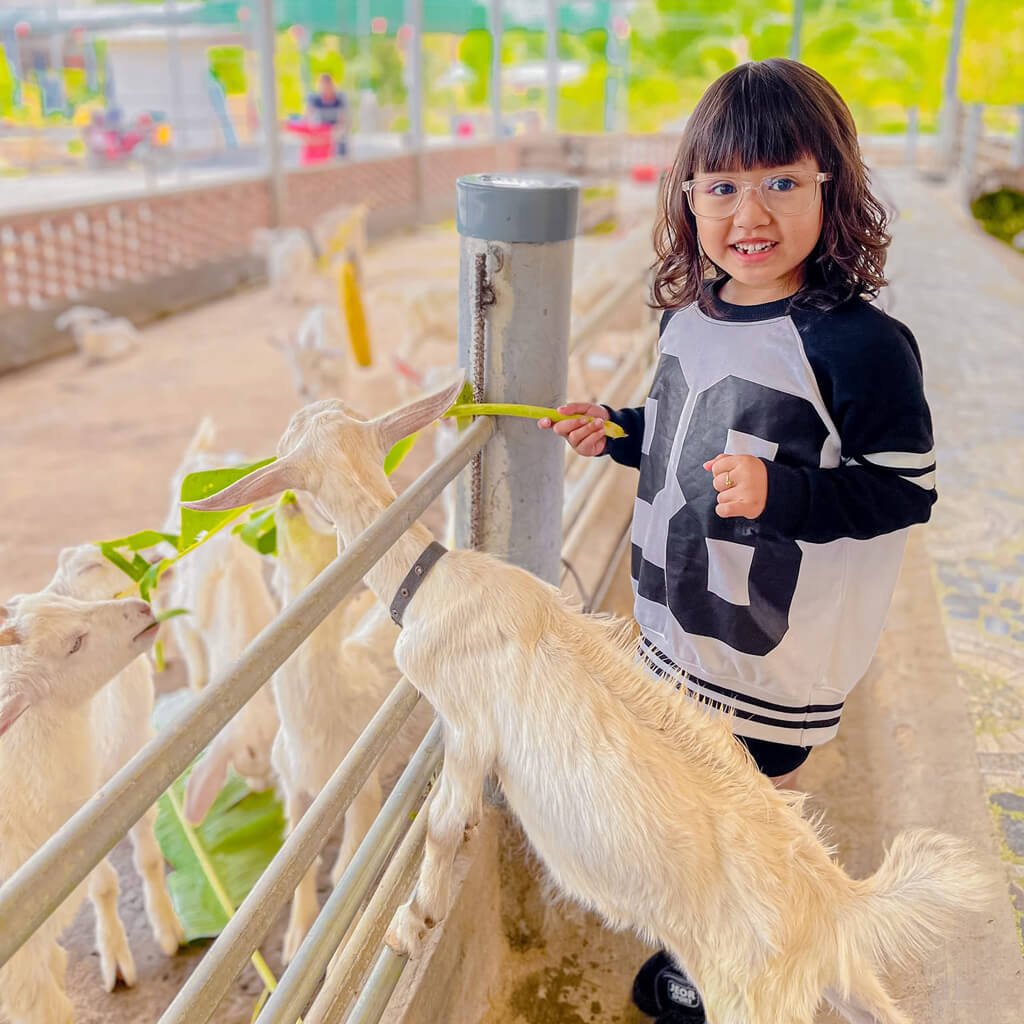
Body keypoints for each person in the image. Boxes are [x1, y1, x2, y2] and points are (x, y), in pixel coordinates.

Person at [540, 58, 936, 1024]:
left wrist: (783, 493)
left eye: (780, 184)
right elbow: (692, 437)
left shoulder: (861, 345)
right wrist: (623, 433)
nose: (748, 213)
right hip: (676, 630)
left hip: (771, 655)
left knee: (751, 827)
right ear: (687, 198)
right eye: (722, 187)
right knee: (689, 819)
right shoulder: (687, 316)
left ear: (831, 187)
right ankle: (711, 951)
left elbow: (904, 493)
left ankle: (757, 974)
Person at [307, 72, 349, 158]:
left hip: (336, 133)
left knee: (340, 145)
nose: (326, 88)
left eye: (328, 85)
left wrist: (336, 132)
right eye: (323, 85)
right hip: (320, 134)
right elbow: (308, 118)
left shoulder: (339, 99)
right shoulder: (315, 100)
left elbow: (343, 120)